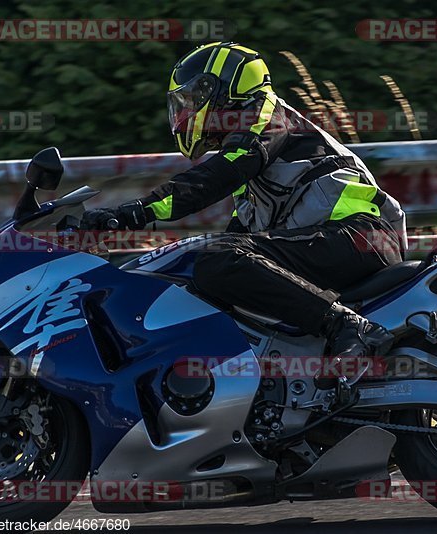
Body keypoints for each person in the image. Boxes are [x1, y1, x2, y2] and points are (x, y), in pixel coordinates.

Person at [82, 42, 406, 395]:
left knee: (216, 260)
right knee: (208, 268)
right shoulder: (254, 177)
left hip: (360, 236)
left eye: (195, 97)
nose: (186, 112)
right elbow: (234, 247)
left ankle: (346, 326)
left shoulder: (266, 118)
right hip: (332, 242)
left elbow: (214, 178)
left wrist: (135, 212)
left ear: (228, 86)